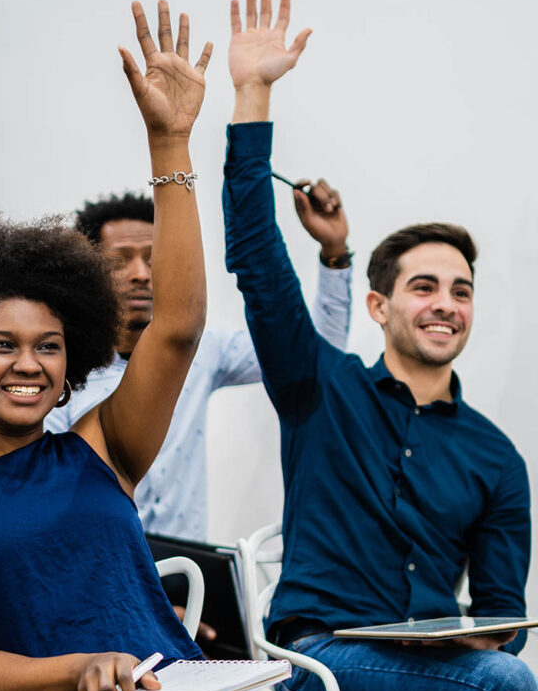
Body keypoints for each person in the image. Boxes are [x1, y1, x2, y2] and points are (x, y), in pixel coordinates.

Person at [0, 0, 265, 691]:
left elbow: (177, 328)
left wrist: (170, 143)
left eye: (48, 345)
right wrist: (82, 670)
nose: (30, 364)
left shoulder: (100, 447)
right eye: (2, 345)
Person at [222, 0, 537, 691]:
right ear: (379, 307)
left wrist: (480, 632)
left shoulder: (495, 457)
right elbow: (259, 262)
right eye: (423, 287)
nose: (445, 304)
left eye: (460, 291)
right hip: (316, 661)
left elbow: (502, 616)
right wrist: (252, 96)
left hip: (433, 668)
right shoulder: (318, 387)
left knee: (502, 677)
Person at [45, 192, 352, 542]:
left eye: (153, 258)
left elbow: (311, 354)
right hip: (97, 564)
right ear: (88, 273)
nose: (141, 274)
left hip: (188, 569)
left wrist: (334, 254)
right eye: (119, 262)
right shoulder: (60, 365)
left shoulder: (202, 350)